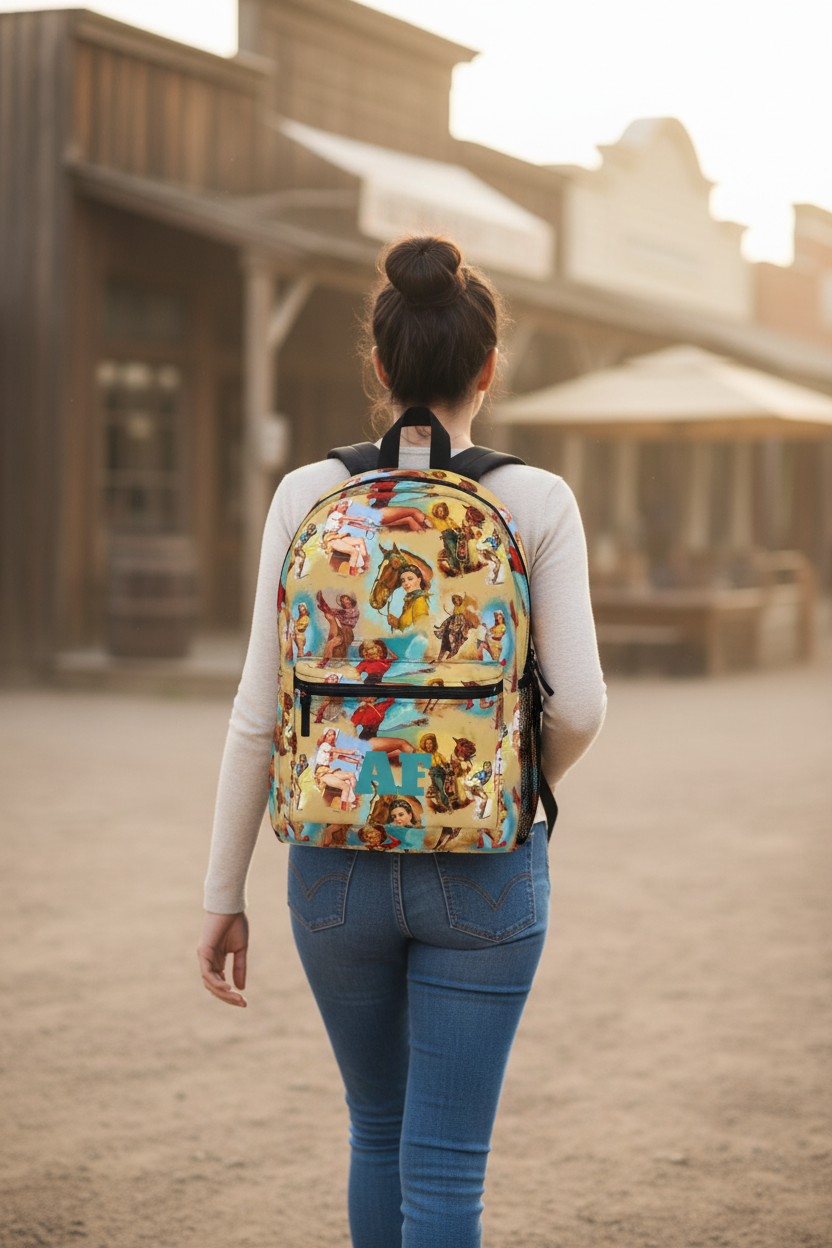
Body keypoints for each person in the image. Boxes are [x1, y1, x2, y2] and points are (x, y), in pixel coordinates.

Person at [198, 235, 607, 1248]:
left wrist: (222, 893)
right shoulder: (537, 501)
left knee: (376, 1130)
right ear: (488, 366)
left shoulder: (305, 495)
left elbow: (258, 711)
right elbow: (580, 707)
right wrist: (508, 784)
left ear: (380, 365)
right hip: (484, 866)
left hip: (332, 866)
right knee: (446, 1166)